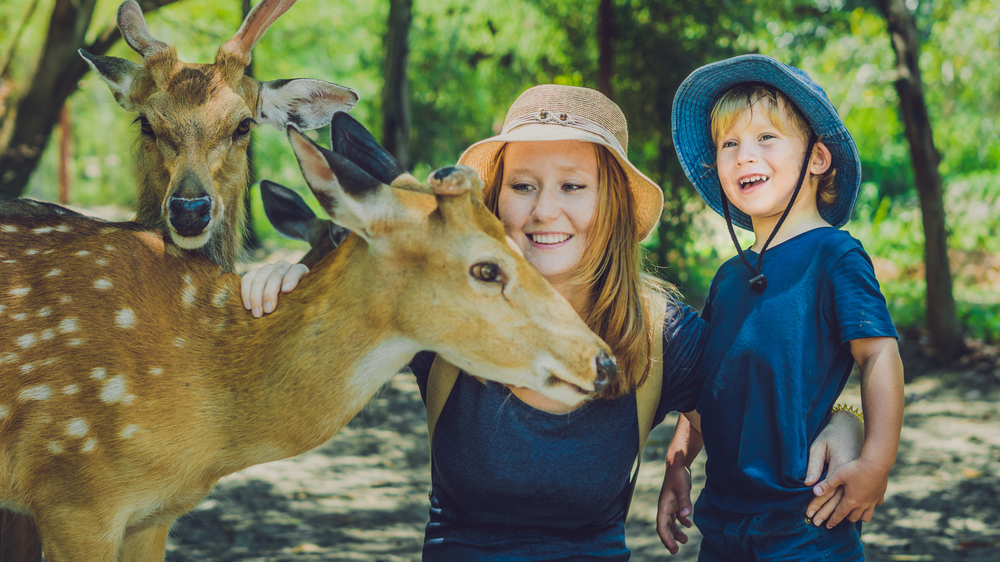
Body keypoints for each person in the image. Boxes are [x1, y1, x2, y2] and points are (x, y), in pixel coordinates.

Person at [243, 84, 866, 561]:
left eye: (573, 186)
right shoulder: (445, 307)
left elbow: (759, 400)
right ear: (494, 201)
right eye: (522, 185)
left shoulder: (658, 331)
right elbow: (299, 358)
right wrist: (286, 281)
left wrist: (845, 423)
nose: (545, 211)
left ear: (610, 203)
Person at [661, 55, 904, 561]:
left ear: (817, 159)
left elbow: (879, 356)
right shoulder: (728, 276)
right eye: (729, 145)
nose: (744, 155)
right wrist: (678, 460)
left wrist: (876, 465)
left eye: (765, 138)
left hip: (805, 520)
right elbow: (713, 382)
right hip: (723, 521)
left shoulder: (834, 256)